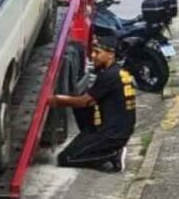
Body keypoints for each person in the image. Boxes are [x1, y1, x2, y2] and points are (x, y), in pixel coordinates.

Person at [50, 36, 136, 172]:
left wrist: (55, 100)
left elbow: (84, 101)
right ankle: (91, 138)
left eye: (97, 52)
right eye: (93, 52)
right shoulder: (119, 72)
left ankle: (112, 155)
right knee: (80, 104)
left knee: (66, 159)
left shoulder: (109, 76)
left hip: (111, 134)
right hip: (119, 130)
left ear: (110, 55)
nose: (92, 56)